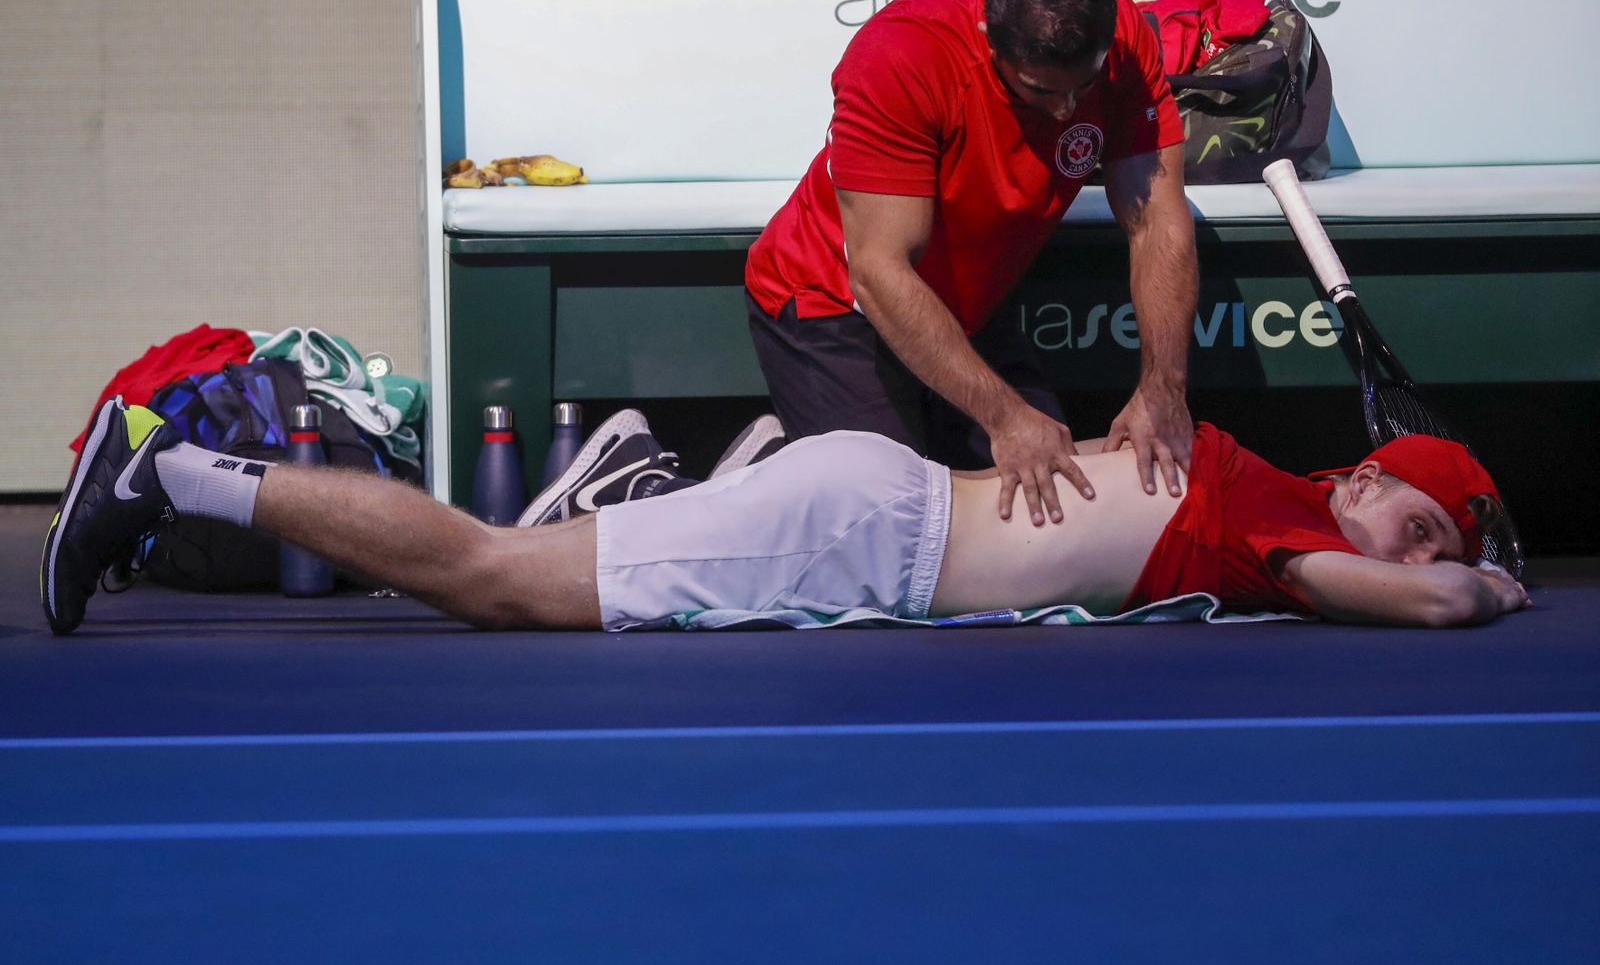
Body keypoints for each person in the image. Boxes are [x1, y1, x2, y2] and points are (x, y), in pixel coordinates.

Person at [42, 398, 1531, 636]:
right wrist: (1489, 588)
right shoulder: (1283, 524)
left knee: (520, 569)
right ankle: (159, 470)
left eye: (1442, 540)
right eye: (1428, 519)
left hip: (863, 506)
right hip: (856, 540)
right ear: (1368, 481)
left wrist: (1446, 549)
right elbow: (1430, 607)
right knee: (493, 578)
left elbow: (1403, 569)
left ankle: (654, 491)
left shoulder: (1246, 471)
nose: (1424, 551)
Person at [744, 0, 1199, 529]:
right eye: (1040, 91)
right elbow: (879, 271)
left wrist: (1164, 389)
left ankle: (805, 475)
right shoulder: (904, 52)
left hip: (967, 305)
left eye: (1082, 88)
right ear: (989, 38)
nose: (1066, 111)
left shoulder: (1123, 40)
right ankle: (750, 482)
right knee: (890, 531)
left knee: (1049, 514)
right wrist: (1007, 420)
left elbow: (1158, 223)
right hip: (834, 301)